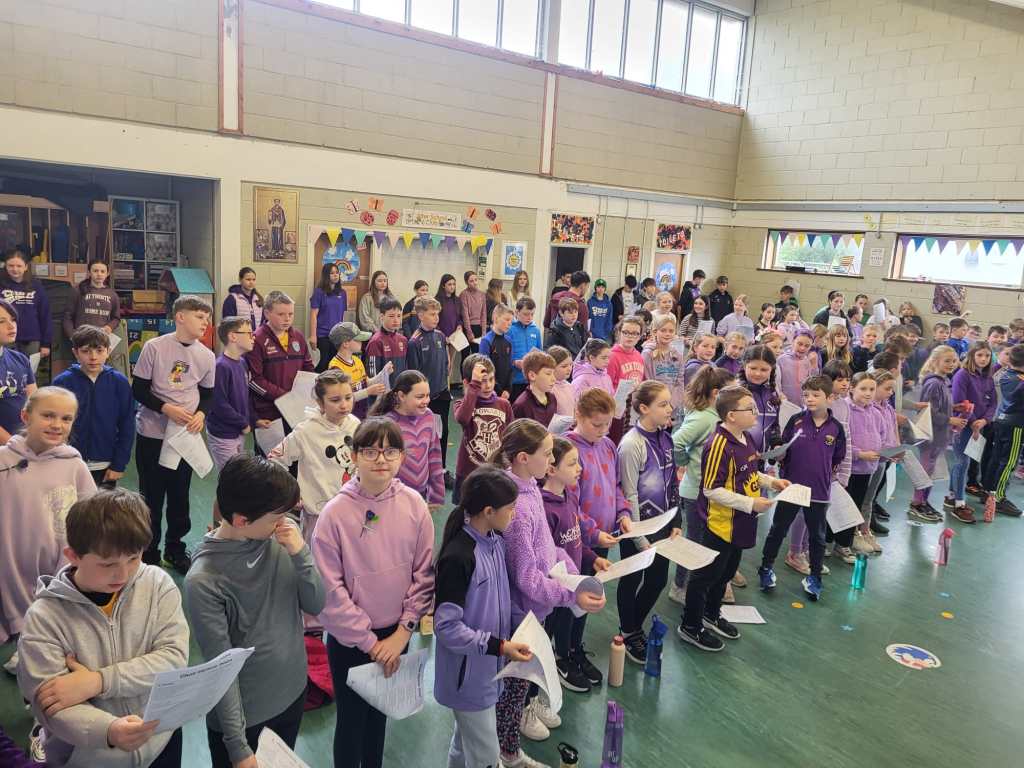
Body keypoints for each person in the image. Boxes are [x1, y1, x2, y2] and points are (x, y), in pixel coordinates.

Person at [16, 489, 188, 768]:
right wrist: (108, 731)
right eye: (107, 564)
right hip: (91, 754)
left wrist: (99, 681)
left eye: (134, 558)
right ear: (73, 556)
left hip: (160, 738)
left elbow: (174, 657)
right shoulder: (44, 618)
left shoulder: (158, 584)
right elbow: (49, 702)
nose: (123, 574)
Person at [186, 456, 325, 768]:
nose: (285, 521)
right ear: (241, 520)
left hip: (293, 694)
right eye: (277, 515)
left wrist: (301, 554)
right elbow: (221, 670)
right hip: (247, 719)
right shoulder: (204, 581)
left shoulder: (278, 540)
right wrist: (238, 747)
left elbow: (316, 604)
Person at [311, 418, 435, 768]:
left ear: (402, 456)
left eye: (390, 450)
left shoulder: (414, 505)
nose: (381, 459)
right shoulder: (334, 514)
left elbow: (424, 574)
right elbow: (329, 590)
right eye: (370, 451)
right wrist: (369, 643)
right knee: (351, 723)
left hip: (397, 634)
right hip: (351, 641)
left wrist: (403, 632)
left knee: (379, 715)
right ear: (354, 456)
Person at [492, 419, 605, 766]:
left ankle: (510, 743)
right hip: (520, 616)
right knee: (512, 694)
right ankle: (508, 753)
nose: (552, 461)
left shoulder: (531, 490)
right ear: (523, 458)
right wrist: (571, 596)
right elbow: (527, 577)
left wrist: (574, 578)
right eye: (547, 454)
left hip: (535, 609)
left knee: (522, 685)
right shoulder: (517, 506)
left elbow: (549, 548)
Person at [676, 387, 789, 652]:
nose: (756, 413)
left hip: (741, 522)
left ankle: (711, 614)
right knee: (705, 576)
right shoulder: (718, 445)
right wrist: (751, 503)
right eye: (750, 409)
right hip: (720, 524)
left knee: (726, 573)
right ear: (731, 415)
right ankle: (690, 626)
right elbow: (711, 490)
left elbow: (749, 472)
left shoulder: (745, 437)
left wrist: (771, 482)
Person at [434, 466, 533, 768]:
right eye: (510, 508)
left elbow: (502, 597)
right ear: (489, 511)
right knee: (486, 758)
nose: (515, 513)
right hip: (468, 679)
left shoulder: (494, 542)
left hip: (486, 671)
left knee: (464, 747)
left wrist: (525, 627)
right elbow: (447, 628)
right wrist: (499, 646)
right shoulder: (459, 556)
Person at [0, 386, 95, 645]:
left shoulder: (75, 465)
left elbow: (91, 515)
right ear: (25, 416)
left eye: (66, 419)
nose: (57, 425)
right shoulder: (4, 460)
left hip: (56, 562)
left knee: (49, 620)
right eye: (48, 415)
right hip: (9, 560)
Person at [132, 295, 215, 572]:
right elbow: (139, 389)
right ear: (180, 317)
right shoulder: (154, 348)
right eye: (199, 317)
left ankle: (175, 549)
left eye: (207, 318)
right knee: (151, 496)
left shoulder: (206, 355)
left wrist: (201, 414)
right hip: (153, 434)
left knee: (180, 496)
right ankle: (149, 551)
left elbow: (208, 394)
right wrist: (166, 408)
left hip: (184, 438)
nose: (205, 323)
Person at [757, 375, 846, 601]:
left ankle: (815, 577)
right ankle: (766, 568)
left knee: (817, 536)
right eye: (806, 395)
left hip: (819, 492)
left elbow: (838, 457)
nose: (810, 399)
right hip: (792, 487)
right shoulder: (796, 420)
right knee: (778, 529)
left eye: (816, 395)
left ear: (830, 398)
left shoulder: (836, 428)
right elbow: (783, 447)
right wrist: (779, 453)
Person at [541, 437, 611, 694]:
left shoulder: (570, 496)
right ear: (551, 469)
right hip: (555, 586)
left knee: (572, 619)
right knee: (556, 622)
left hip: (574, 578)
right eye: (572, 464)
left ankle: (571, 652)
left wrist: (593, 558)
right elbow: (546, 554)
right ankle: (560, 659)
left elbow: (576, 538)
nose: (579, 468)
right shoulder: (544, 508)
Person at [617, 381, 680, 661]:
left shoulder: (666, 437)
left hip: (663, 524)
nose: (670, 409)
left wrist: (677, 519)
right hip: (637, 527)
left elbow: (672, 481)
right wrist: (639, 538)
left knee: (657, 580)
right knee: (632, 578)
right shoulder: (632, 444)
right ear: (644, 408)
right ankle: (629, 631)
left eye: (669, 403)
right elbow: (628, 493)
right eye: (663, 404)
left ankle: (634, 626)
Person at [668, 366, 734, 605]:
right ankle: (680, 586)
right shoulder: (705, 418)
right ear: (716, 393)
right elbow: (675, 442)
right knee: (694, 542)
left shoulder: (715, 415)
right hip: (696, 491)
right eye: (732, 391)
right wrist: (685, 462)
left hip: (708, 491)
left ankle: (696, 584)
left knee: (704, 541)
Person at [268, 370, 360, 540]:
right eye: (335, 400)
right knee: (316, 554)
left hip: (351, 509)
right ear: (320, 403)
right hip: (318, 515)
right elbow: (274, 460)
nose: (344, 405)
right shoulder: (306, 431)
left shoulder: (355, 424)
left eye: (348, 398)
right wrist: (290, 493)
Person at [53, 325, 135, 487]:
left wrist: (119, 464)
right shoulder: (62, 382)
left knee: (102, 504)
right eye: (86, 351)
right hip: (69, 461)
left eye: (99, 351)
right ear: (75, 353)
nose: (93, 357)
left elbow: (127, 425)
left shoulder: (119, 382)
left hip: (105, 465)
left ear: (108, 351)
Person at [370, 370, 444, 508]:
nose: (426, 401)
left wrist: (437, 495)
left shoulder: (428, 416)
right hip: (392, 498)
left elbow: (434, 455)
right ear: (401, 396)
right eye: (420, 396)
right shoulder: (387, 424)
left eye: (427, 395)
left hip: (421, 495)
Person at [246, 291, 314, 436]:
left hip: (296, 408)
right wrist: (284, 396)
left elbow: (308, 368)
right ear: (267, 313)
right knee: (271, 450)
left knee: (296, 447)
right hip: (268, 411)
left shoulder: (298, 337)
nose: (287, 319)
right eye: (281, 314)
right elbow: (254, 380)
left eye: (290, 314)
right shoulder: (256, 340)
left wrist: (304, 392)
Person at [453, 354, 513, 504]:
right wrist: (473, 387)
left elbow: (511, 435)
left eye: (491, 379)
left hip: (497, 471)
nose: (488, 386)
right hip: (469, 473)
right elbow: (463, 418)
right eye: (482, 382)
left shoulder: (504, 404)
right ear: (467, 383)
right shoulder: (461, 405)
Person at [913, 346, 964, 521]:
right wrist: (950, 420)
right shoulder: (934, 383)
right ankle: (916, 504)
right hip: (930, 435)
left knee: (930, 470)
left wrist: (955, 407)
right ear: (935, 362)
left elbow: (940, 406)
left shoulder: (944, 381)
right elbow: (928, 410)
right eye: (947, 361)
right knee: (925, 471)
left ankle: (924, 501)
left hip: (939, 434)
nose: (951, 364)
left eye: (954, 361)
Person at [946, 342, 995, 523]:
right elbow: (960, 401)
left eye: (987, 356)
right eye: (980, 355)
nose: (983, 359)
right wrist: (974, 421)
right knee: (962, 462)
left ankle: (951, 496)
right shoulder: (962, 375)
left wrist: (984, 420)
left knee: (963, 462)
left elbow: (993, 403)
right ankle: (959, 504)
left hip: (979, 425)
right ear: (972, 355)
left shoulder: (988, 377)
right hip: (964, 424)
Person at [407, 297, 451, 483]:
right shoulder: (414, 341)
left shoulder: (440, 336)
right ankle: (423, 471)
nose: (436, 318)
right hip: (425, 399)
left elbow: (445, 364)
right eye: (432, 314)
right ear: (420, 315)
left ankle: (441, 469)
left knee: (443, 433)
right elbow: (414, 376)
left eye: (437, 314)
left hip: (442, 394)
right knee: (424, 436)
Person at [201, 316, 253, 472]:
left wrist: (253, 419)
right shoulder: (221, 366)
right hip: (223, 433)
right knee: (230, 476)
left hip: (237, 431)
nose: (253, 337)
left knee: (238, 474)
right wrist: (243, 423)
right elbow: (219, 404)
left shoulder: (242, 362)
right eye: (249, 333)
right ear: (233, 336)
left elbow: (242, 398)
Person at [982, 343, 1024, 521]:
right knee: (1009, 462)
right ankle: (998, 497)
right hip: (1015, 425)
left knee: (996, 458)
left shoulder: (1006, 374)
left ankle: (989, 492)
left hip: (1001, 421)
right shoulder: (1018, 380)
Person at [0, 248, 50, 359]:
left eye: (19, 266)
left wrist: (46, 344)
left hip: (32, 340)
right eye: (11, 266)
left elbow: (44, 315)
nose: (15, 269)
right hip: (5, 338)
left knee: (29, 369)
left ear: (26, 267)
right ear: (5, 266)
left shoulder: (36, 286)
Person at [0, 299, 36, 445]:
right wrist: (13, 445)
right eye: (1, 321)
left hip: (24, 442)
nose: (11, 326)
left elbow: (35, 402)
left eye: (13, 320)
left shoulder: (21, 359)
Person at [642, 315, 685, 423]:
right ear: (655, 332)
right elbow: (648, 383)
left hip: (671, 410)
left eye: (671, 331)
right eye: (663, 330)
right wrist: (661, 408)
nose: (667, 334)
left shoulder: (677, 355)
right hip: (653, 408)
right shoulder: (648, 354)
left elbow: (680, 383)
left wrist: (670, 406)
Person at [62, 260, 120, 340]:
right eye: (95, 271)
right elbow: (67, 316)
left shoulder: (113, 295)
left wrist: (110, 327)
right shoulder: (78, 291)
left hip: (101, 339)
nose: (99, 274)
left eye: (102, 271)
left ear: (107, 274)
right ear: (89, 272)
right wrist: (72, 335)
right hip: (82, 338)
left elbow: (116, 318)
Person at [364, 296, 409, 394]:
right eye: (391, 316)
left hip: (400, 392)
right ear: (381, 317)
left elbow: (406, 369)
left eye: (399, 316)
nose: (396, 320)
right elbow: (373, 376)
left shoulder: (403, 340)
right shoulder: (376, 341)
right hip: (383, 395)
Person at [310, 262, 348, 373]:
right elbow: (313, 315)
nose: (335, 275)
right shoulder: (319, 292)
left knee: (334, 365)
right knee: (323, 363)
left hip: (337, 335)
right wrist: (313, 336)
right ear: (326, 275)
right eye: (332, 273)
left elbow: (342, 315)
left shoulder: (342, 293)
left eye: (337, 272)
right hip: (323, 335)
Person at [507, 297, 542, 403]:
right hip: (514, 380)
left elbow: (540, 352)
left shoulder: (535, 330)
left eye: (532, 314)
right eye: (526, 314)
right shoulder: (509, 330)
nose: (529, 317)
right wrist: (514, 362)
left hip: (531, 380)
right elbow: (504, 354)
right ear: (516, 312)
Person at [512, 349, 557, 427]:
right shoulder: (521, 405)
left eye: (554, 374)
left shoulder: (552, 398)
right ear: (532, 376)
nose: (554, 379)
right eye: (548, 374)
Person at [479, 304, 514, 400]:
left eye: (511, 321)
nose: (509, 324)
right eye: (507, 320)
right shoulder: (486, 341)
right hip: (491, 391)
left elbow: (510, 368)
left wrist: (508, 389)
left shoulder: (509, 341)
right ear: (496, 318)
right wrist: (499, 391)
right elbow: (485, 370)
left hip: (506, 392)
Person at [544, 271, 591, 336]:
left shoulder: (555, 297)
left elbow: (546, 323)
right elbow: (583, 334)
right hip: (570, 341)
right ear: (583, 285)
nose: (587, 290)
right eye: (587, 286)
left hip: (553, 340)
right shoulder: (581, 306)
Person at [777, 330, 819, 402]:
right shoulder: (781, 360)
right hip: (785, 403)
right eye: (800, 344)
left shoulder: (807, 360)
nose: (802, 348)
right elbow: (777, 384)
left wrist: (814, 365)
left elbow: (813, 382)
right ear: (793, 342)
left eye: (807, 346)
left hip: (803, 403)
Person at [460, 271, 487, 353]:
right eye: (471, 281)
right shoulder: (464, 294)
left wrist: (484, 331)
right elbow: (465, 315)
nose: (475, 283)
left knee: (477, 354)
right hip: (467, 327)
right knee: (465, 354)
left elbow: (483, 314)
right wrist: (469, 332)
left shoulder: (482, 294)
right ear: (466, 283)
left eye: (476, 280)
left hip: (479, 327)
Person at [547, 346, 575, 417]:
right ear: (552, 367)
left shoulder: (570, 386)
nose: (569, 369)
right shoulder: (549, 389)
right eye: (564, 366)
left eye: (571, 364)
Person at [436, 273, 463, 341]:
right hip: (441, 336)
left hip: (455, 337)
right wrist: (442, 336)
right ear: (443, 286)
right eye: (449, 284)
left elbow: (459, 317)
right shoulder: (437, 301)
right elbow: (434, 321)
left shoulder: (457, 300)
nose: (452, 287)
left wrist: (459, 325)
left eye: (454, 284)